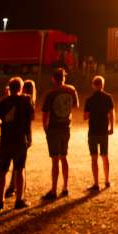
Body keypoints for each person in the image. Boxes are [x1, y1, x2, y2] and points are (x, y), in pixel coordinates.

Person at [0, 76, 34, 211]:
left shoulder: (2, 103)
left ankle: (0, 201)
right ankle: (19, 200)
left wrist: (4, 123)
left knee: (2, 172)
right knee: (20, 169)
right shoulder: (26, 101)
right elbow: (31, 118)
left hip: (5, 140)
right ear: (21, 88)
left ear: (9, 88)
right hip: (20, 140)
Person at [41, 67, 79, 201]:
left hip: (54, 128)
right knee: (64, 156)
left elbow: (45, 114)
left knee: (55, 160)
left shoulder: (51, 94)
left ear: (53, 79)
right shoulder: (71, 90)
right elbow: (76, 105)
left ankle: (53, 189)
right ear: (64, 78)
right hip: (66, 126)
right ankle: (65, 187)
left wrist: (45, 128)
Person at [5, 78, 36, 199]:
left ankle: (14, 186)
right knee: (21, 163)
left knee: (18, 164)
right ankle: (18, 186)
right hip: (27, 135)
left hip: (20, 134)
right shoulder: (29, 101)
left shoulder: (25, 101)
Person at [83, 75, 115, 191]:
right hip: (103, 131)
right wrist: (112, 127)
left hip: (93, 131)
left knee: (94, 157)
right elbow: (111, 113)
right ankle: (107, 180)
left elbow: (85, 117)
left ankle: (96, 183)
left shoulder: (89, 100)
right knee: (105, 156)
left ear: (93, 85)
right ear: (102, 85)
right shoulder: (108, 98)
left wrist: (93, 112)